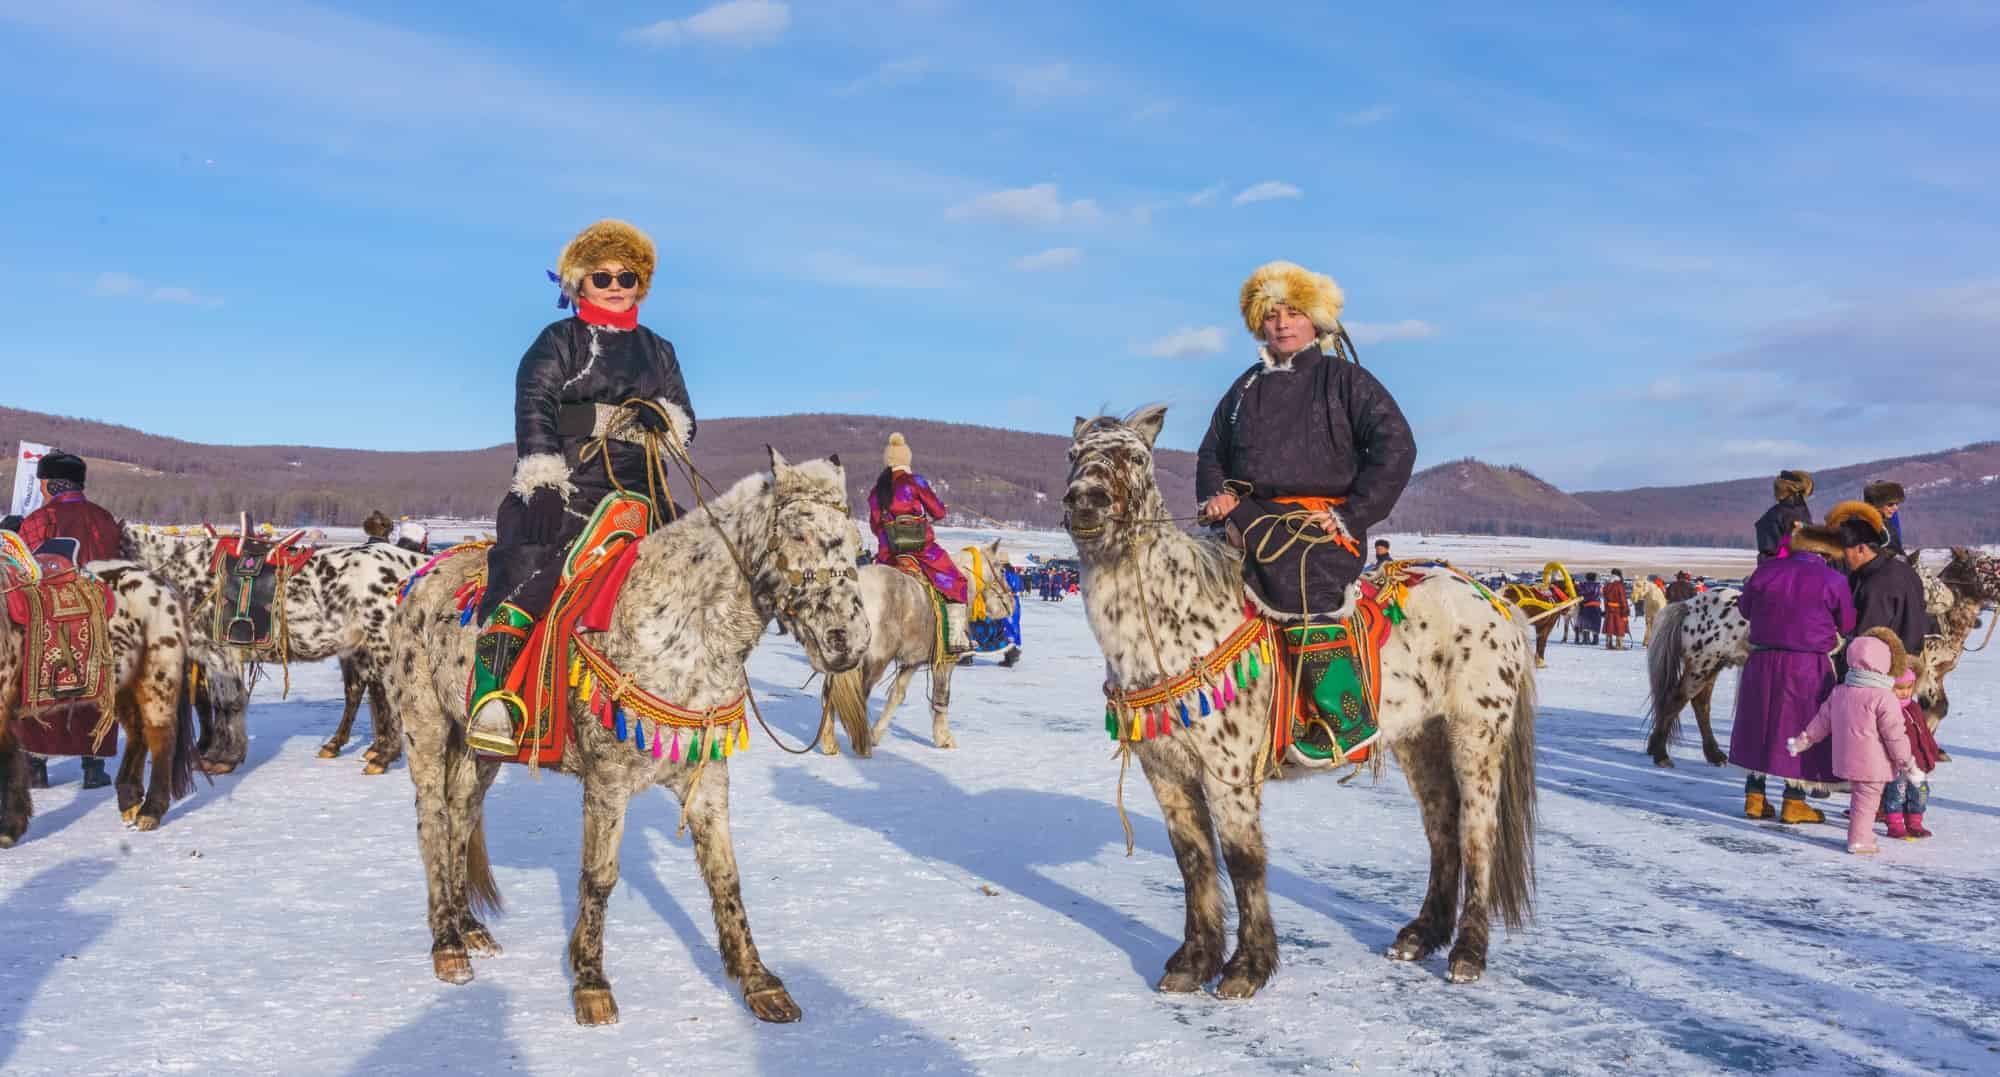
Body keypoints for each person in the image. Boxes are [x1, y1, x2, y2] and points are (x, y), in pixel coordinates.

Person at [467, 219, 696, 756]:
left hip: (645, 493)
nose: (616, 285)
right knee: (530, 565)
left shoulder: (659, 349)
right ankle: (495, 696)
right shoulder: (559, 340)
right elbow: (535, 407)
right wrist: (543, 477)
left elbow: (686, 416)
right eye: (602, 276)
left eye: (628, 275)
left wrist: (662, 420)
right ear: (578, 284)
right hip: (570, 487)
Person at [1195, 260, 1418, 765]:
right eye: (1271, 314)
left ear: (1315, 321)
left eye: (1293, 313)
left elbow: (1396, 447)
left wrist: (1351, 514)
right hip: (1249, 517)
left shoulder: (1346, 381)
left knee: (1295, 572)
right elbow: (1212, 452)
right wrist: (1217, 496)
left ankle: (1347, 716)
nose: (1282, 323)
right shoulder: (1243, 389)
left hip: (1319, 523)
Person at [1727, 522, 1853, 823]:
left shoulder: (1766, 572)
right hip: (1807, 665)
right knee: (1802, 729)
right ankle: (1794, 801)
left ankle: (1754, 797)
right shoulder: (1833, 579)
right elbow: (1847, 623)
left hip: (1762, 660)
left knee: (1759, 726)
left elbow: (1745, 609)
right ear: (1826, 550)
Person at [14, 450, 123, 789]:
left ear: (52, 484)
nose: (41, 489)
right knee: (98, 681)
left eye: (43, 483)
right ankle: (93, 768)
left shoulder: (38, 520)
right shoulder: (103, 517)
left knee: (35, 681)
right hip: (96, 612)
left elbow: (26, 568)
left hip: (49, 614)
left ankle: (35, 764)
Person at [1787, 632, 1922, 855]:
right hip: (1873, 762)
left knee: (1861, 799)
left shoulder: (1840, 691)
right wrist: (1907, 763)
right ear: (1884, 663)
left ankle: (1863, 833)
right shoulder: (1883, 697)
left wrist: (1803, 741)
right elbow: (1895, 735)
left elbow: (1821, 722)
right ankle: (1859, 839)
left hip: (1846, 758)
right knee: (1867, 799)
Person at [868, 433, 972, 653]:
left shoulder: (877, 490)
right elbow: (938, 512)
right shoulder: (915, 482)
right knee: (956, 580)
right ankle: (955, 636)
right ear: (907, 460)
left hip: (889, 553)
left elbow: (875, 526)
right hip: (920, 549)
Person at [1829, 500, 1930, 677]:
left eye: (1844, 550)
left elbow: (1866, 639)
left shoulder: (1875, 585)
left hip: (1881, 671)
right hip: (1907, 666)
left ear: (1861, 548)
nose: (1842, 557)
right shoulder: (1903, 570)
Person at [1883, 667, 1940, 839]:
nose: (1905, 692)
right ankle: (1894, 824)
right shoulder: (1887, 710)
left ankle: (1914, 821)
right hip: (1897, 762)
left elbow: (1924, 732)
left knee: (1921, 791)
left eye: (1909, 687)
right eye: (1899, 688)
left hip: (1917, 762)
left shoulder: (1913, 707)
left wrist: (1931, 750)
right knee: (1896, 792)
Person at [1754, 469, 1814, 560]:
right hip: (1799, 564)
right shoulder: (1802, 512)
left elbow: (1768, 551)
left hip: (1782, 566)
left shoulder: (1774, 515)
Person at [1863, 480, 1907, 557]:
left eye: (1897, 504)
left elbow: (1896, 547)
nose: (1895, 508)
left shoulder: (1887, 521)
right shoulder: (1867, 525)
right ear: (1877, 504)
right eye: (1890, 504)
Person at [1602, 569, 1630, 649]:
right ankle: (1619, 645)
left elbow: (1605, 599)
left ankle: (1608, 644)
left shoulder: (1607, 585)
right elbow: (1623, 598)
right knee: (1619, 627)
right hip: (1618, 610)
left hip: (1609, 609)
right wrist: (1626, 610)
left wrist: (1606, 608)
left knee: (1609, 626)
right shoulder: (1619, 585)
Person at [1575, 572, 1603, 645]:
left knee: (1585, 623)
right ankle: (1595, 640)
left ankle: (1585, 639)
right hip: (1596, 606)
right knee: (1595, 623)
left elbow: (1579, 593)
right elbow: (1600, 594)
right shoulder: (1599, 586)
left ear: (1586, 578)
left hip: (1586, 606)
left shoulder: (1583, 585)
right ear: (1595, 578)